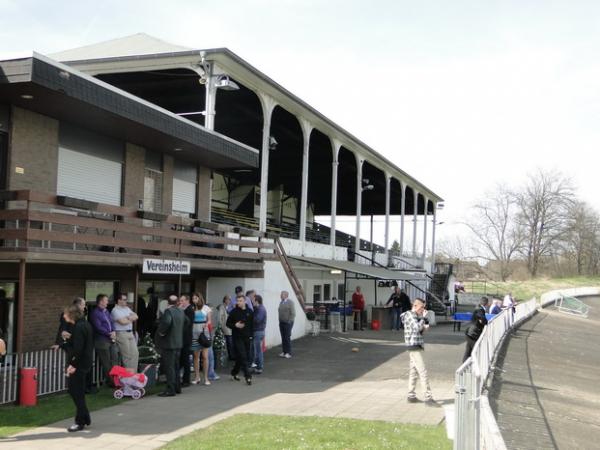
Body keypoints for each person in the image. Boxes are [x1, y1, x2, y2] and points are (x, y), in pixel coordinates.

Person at [64, 303, 94, 432]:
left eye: (65, 314)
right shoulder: (84, 324)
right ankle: (85, 417)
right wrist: (67, 340)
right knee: (78, 392)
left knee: (75, 392)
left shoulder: (79, 327)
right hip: (85, 362)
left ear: (71, 315)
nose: (64, 316)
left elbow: (78, 349)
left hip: (79, 364)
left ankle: (80, 421)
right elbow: (80, 343)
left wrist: (72, 365)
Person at [401, 298, 436, 406]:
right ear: (415, 306)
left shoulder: (416, 316)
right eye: (422, 308)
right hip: (413, 346)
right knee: (422, 371)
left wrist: (424, 326)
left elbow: (418, 331)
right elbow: (416, 328)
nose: (423, 310)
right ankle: (428, 397)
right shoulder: (410, 315)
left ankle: (411, 395)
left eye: (424, 308)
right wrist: (424, 318)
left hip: (416, 345)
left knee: (414, 371)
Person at [156, 294, 185, 397]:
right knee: (176, 367)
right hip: (178, 343)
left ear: (168, 303)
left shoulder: (168, 311)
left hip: (169, 344)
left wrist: (161, 333)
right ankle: (177, 387)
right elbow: (187, 322)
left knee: (169, 368)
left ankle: (170, 389)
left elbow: (167, 322)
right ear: (177, 302)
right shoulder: (181, 311)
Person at [89, 294, 117, 387]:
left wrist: (113, 331)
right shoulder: (95, 313)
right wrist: (109, 333)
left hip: (111, 339)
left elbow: (111, 322)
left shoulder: (106, 311)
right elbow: (98, 327)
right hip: (102, 340)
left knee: (114, 359)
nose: (108, 302)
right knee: (106, 362)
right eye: (106, 300)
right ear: (101, 302)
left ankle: (116, 380)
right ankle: (112, 383)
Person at [227, 294, 254, 385]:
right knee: (243, 356)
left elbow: (252, 325)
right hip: (237, 337)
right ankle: (248, 376)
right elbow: (228, 323)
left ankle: (234, 372)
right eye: (237, 301)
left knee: (241, 357)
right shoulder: (234, 312)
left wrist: (251, 336)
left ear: (245, 301)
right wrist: (235, 325)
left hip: (247, 337)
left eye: (240, 301)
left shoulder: (250, 311)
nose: (238, 303)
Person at [111, 293, 139, 373]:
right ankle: (129, 376)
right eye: (124, 299)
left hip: (130, 333)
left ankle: (134, 374)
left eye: (126, 299)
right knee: (127, 356)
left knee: (135, 354)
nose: (126, 301)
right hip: (121, 333)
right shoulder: (115, 310)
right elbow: (122, 322)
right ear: (119, 300)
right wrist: (130, 318)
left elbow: (136, 316)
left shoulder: (126, 308)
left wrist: (127, 318)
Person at [191, 292, 212, 385]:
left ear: (199, 298)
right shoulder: (192, 308)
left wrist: (206, 324)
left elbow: (210, 320)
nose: (194, 300)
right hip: (194, 333)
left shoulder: (206, 308)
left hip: (204, 333)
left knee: (205, 356)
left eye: (196, 298)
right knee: (195, 356)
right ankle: (197, 377)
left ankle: (206, 378)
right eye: (193, 298)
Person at [463, 297, 489, 362]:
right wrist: (485, 321)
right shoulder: (480, 309)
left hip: (471, 333)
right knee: (476, 349)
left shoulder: (478, 308)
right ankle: (473, 364)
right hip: (474, 333)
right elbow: (482, 319)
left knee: (469, 349)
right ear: (486, 303)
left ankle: (465, 362)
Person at [179, 294, 195, 387]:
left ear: (187, 301)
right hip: (183, 338)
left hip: (186, 338)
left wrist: (180, 311)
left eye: (182, 300)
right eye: (180, 300)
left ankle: (186, 380)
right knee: (182, 359)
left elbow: (186, 324)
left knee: (185, 360)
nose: (181, 302)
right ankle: (178, 378)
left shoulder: (189, 310)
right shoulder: (185, 310)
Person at [251, 294, 267, 374]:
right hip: (259, 331)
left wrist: (250, 318)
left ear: (257, 301)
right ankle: (258, 366)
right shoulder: (258, 308)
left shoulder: (260, 309)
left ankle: (259, 367)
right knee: (257, 350)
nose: (252, 301)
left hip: (258, 331)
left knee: (258, 350)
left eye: (253, 300)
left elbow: (257, 320)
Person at [278, 290, 295, 358]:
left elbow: (293, 313)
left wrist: (289, 321)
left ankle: (288, 352)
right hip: (281, 322)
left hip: (288, 323)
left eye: (282, 294)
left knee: (287, 337)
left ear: (286, 295)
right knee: (283, 337)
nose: (280, 295)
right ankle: (284, 351)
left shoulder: (290, 302)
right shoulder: (281, 302)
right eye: (281, 294)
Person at [216, 295, 234, 360]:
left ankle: (231, 355)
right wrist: (221, 326)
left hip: (230, 327)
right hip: (225, 327)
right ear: (225, 300)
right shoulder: (222, 307)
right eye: (228, 299)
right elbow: (219, 318)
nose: (229, 301)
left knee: (230, 342)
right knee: (229, 342)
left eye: (230, 299)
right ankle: (231, 356)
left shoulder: (229, 307)